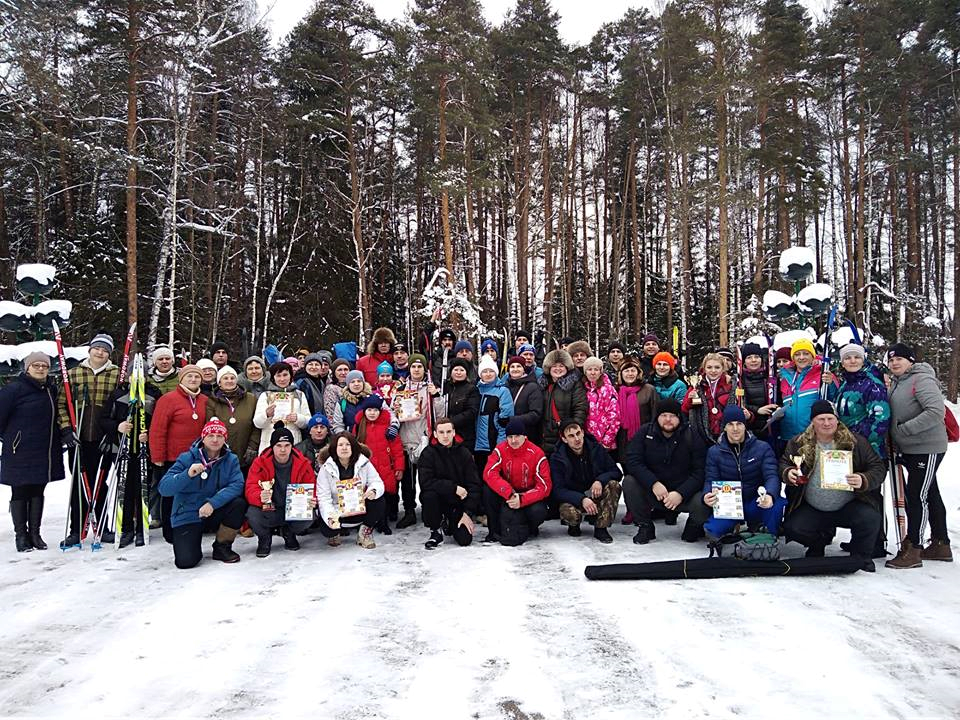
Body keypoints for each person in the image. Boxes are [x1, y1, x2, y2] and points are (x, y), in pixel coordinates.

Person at [779, 400, 885, 571]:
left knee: (870, 518)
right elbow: (784, 463)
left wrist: (863, 478)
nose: (827, 423)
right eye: (821, 419)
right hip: (813, 506)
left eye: (830, 418)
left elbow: (878, 468)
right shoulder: (798, 443)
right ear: (813, 421)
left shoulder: (855, 442)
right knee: (794, 527)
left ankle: (861, 556)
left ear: (837, 420)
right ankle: (817, 543)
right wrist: (788, 473)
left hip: (848, 505)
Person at [885, 343, 952, 567]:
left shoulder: (921, 379)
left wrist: (905, 430)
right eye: (891, 359)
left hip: (926, 446)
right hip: (910, 448)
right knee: (930, 492)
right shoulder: (898, 381)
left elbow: (935, 411)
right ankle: (941, 545)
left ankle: (913, 548)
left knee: (916, 496)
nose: (895, 363)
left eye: (900, 359)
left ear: (911, 361)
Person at [157, 417, 246, 568]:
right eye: (210, 436)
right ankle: (191, 544)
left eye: (219, 436)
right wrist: (187, 474)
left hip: (213, 510)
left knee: (238, 504)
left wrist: (213, 503)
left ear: (225, 439)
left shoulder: (231, 459)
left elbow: (237, 485)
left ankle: (222, 547)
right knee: (186, 562)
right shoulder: (186, 458)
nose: (215, 440)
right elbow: (164, 488)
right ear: (203, 438)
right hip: (189, 513)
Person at [58, 333, 120, 547]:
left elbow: (120, 407)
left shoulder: (116, 375)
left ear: (109, 354)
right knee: (78, 485)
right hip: (79, 438)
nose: (100, 352)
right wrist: (66, 430)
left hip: (103, 439)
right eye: (97, 348)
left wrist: (112, 433)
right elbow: (62, 404)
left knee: (100, 483)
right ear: (90, 349)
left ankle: (103, 527)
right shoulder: (74, 374)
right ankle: (76, 529)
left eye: (105, 350)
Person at [0, 352, 64, 551]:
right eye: (35, 365)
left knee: (38, 490)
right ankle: (21, 535)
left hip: (45, 448)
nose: (40, 368)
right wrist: (12, 438)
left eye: (44, 365)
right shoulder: (14, 390)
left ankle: (35, 533)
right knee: (20, 490)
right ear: (27, 368)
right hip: (19, 449)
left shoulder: (51, 390)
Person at [623, 399, 709, 544]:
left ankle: (694, 526)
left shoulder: (691, 435)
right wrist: (653, 483)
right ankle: (645, 526)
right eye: (664, 415)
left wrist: (681, 493)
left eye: (673, 416)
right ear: (657, 416)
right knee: (629, 483)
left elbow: (700, 471)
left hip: (683, 495)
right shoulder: (645, 432)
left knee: (704, 499)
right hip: (655, 493)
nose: (668, 420)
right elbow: (633, 461)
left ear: (679, 417)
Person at [702, 405, 785, 539]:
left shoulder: (762, 448)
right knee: (713, 530)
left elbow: (772, 476)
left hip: (755, 500)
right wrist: (707, 495)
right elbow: (711, 478)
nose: (735, 429)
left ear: (745, 425)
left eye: (739, 424)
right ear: (724, 427)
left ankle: (769, 538)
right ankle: (733, 532)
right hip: (730, 504)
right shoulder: (714, 452)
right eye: (730, 424)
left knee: (775, 504)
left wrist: (769, 495)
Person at [100, 369, 160, 548]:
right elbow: (103, 419)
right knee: (125, 490)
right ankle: (126, 528)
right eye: (134, 375)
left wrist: (149, 434)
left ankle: (142, 528)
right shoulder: (118, 394)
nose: (137, 379)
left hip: (144, 451)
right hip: (122, 449)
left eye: (141, 375)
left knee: (143, 489)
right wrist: (117, 426)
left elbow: (160, 421)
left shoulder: (153, 394)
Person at [150, 364, 208, 543]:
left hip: (197, 457)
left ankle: (191, 526)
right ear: (181, 379)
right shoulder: (168, 400)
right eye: (189, 376)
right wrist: (157, 456)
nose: (193, 380)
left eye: (196, 377)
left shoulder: (205, 400)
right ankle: (169, 530)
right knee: (171, 494)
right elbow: (158, 429)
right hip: (173, 457)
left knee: (192, 493)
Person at [245, 426, 317, 557]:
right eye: (278, 445)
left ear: (292, 446)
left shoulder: (303, 463)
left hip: (293, 510)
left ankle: (289, 533)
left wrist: (311, 500)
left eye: (287, 445)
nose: (283, 450)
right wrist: (259, 496)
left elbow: (312, 487)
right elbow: (250, 488)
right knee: (252, 513)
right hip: (270, 509)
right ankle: (264, 538)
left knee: (310, 514)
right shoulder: (259, 463)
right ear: (272, 446)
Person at [482, 417, 552, 546]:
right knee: (487, 490)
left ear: (525, 436)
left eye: (517, 436)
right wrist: (508, 492)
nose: (513, 440)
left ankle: (529, 527)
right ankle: (495, 530)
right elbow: (489, 472)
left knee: (539, 510)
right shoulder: (500, 450)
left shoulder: (537, 453)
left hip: (528, 495)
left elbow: (545, 486)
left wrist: (522, 499)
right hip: (507, 493)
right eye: (510, 437)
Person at [550, 420, 622, 543]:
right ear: (564, 439)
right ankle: (574, 525)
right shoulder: (557, 457)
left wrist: (599, 480)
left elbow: (616, 472)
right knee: (569, 513)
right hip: (574, 498)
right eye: (571, 436)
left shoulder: (596, 448)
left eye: (578, 433)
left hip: (595, 493)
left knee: (613, 485)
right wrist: (581, 499)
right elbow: (557, 490)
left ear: (583, 432)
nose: (577, 438)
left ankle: (601, 528)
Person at [417, 417, 483, 549]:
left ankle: (449, 523)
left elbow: (474, 484)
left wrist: (467, 513)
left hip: (458, 503)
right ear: (435, 434)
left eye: (448, 432)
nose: (445, 436)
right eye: (441, 432)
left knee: (465, 540)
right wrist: (453, 488)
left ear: (454, 432)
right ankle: (435, 531)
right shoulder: (428, 454)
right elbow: (426, 482)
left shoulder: (464, 453)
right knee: (429, 495)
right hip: (437, 501)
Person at [315, 432, 386, 549]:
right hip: (337, 509)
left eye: (348, 444)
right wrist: (330, 517)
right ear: (334, 448)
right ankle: (334, 533)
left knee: (379, 500)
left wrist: (373, 491)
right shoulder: (326, 468)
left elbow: (377, 482)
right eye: (340, 445)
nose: (344, 448)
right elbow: (323, 498)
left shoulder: (363, 463)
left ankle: (364, 533)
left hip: (359, 507)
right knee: (327, 529)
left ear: (353, 447)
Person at [352, 394, 405, 533]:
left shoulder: (388, 427)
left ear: (380, 411)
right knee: (372, 495)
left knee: (388, 495)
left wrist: (399, 467)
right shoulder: (359, 427)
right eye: (369, 410)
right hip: (368, 469)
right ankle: (375, 520)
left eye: (375, 410)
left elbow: (397, 449)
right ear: (364, 411)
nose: (372, 413)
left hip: (386, 467)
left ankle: (384, 521)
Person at [391, 353, 431, 528]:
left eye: (419, 366)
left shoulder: (430, 389)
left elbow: (439, 413)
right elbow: (391, 412)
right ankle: (409, 511)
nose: (416, 369)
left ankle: (428, 509)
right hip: (405, 438)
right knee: (408, 480)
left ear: (424, 369)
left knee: (426, 478)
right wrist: (396, 415)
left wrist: (435, 396)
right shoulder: (400, 390)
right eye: (413, 366)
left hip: (423, 438)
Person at [777, 337, 838, 445]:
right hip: (788, 437)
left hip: (813, 435)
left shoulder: (822, 375)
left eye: (806, 353)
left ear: (812, 356)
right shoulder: (785, 378)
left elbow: (834, 400)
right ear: (793, 358)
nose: (801, 357)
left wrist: (831, 384)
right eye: (797, 354)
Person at [835, 344, 889, 456]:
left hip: (867, 451)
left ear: (863, 360)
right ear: (842, 363)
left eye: (857, 357)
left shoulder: (872, 385)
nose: (853, 361)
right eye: (848, 358)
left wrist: (857, 440)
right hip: (846, 448)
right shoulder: (845, 384)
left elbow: (880, 419)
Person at [205, 365, 260, 473]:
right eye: (225, 378)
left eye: (232, 378)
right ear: (219, 382)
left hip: (244, 450)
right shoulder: (212, 401)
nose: (229, 381)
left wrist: (252, 447)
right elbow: (210, 428)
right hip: (221, 453)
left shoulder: (250, 398)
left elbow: (256, 425)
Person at [539, 349, 588, 456]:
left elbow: (580, 408)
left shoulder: (575, 384)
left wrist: (572, 429)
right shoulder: (542, 385)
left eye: (561, 366)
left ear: (567, 367)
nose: (558, 369)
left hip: (567, 435)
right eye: (554, 366)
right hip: (545, 436)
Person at [252, 361, 310, 452]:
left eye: (285, 375)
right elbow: (257, 423)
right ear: (273, 378)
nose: (282, 379)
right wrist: (266, 415)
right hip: (269, 442)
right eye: (278, 375)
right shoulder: (266, 396)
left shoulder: (299, 395)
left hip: (293, 442)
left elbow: (307, 421)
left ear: (290, 376)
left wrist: (298, 418)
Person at [681, 352, 733, 445]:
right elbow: (684, 409)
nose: (713, 371)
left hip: (726, 434)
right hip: (701, 435)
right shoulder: (697, 385)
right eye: (709, 367)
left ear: (723, 369)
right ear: (704, 368)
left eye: (717, 367)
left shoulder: (730, 385)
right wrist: (690, 399)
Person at [474, 355, 514, 473]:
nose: (488, 374)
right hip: (476, 444)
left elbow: (505, 421)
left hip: (493, 442)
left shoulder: (502, 391)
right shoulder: (475, 390)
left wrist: (500, 444)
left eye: (491, 371)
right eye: (485, 371)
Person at [430, 358, 480, 449]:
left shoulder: (472, 389)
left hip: (464, 435)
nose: (458, 372)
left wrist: (451, 422)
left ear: (466, 373)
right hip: (445, 435)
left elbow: (471, 412)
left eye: (462, 370)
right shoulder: (445, 386)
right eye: (456, 369)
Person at [615, 356, 657, 456]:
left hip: (643, 437)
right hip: (621, 440)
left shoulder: (649, 390)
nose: (630, 374)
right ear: (621, 374)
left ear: (638, 373)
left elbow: (655, 415)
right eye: (626, 371)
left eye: (633, 370)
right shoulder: (615, 391)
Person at [740, 342, 778, 443]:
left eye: (757, 356)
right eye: (749, 357)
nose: (753, 360)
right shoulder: (740, 380)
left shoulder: (770, 377)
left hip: (770, 428)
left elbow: (778, 397)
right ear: (744, 361)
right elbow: (740, 403)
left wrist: (778, 408)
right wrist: (758, 410)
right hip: (750, 428)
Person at [582, 356, 620, 453]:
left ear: (601, 372)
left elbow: (615, 417)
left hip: (606, 443)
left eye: (596, 369)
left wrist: (607, 441)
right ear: (585, 372)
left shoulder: (608, 389)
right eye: (589, 369)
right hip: (588, 441)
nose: (593, 373)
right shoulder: (584, 390)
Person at [504, 355, 544, 446]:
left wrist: (512, 420)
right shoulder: (505, 387)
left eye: (518, 366)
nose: (515, 369)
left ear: (524, 369)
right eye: (512, 366)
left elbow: (535, 413)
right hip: (508, 435)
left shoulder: (532, 387)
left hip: (527, 434)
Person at [331, 369, 372, 433]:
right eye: (352, 382)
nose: (356, 384)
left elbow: (388, 412)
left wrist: (393, 425)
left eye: (359, 381)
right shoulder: (342, 403)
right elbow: (338, 425)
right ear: (348, 385)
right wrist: (344, 437)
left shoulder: (372, 399)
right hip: (350, 439)